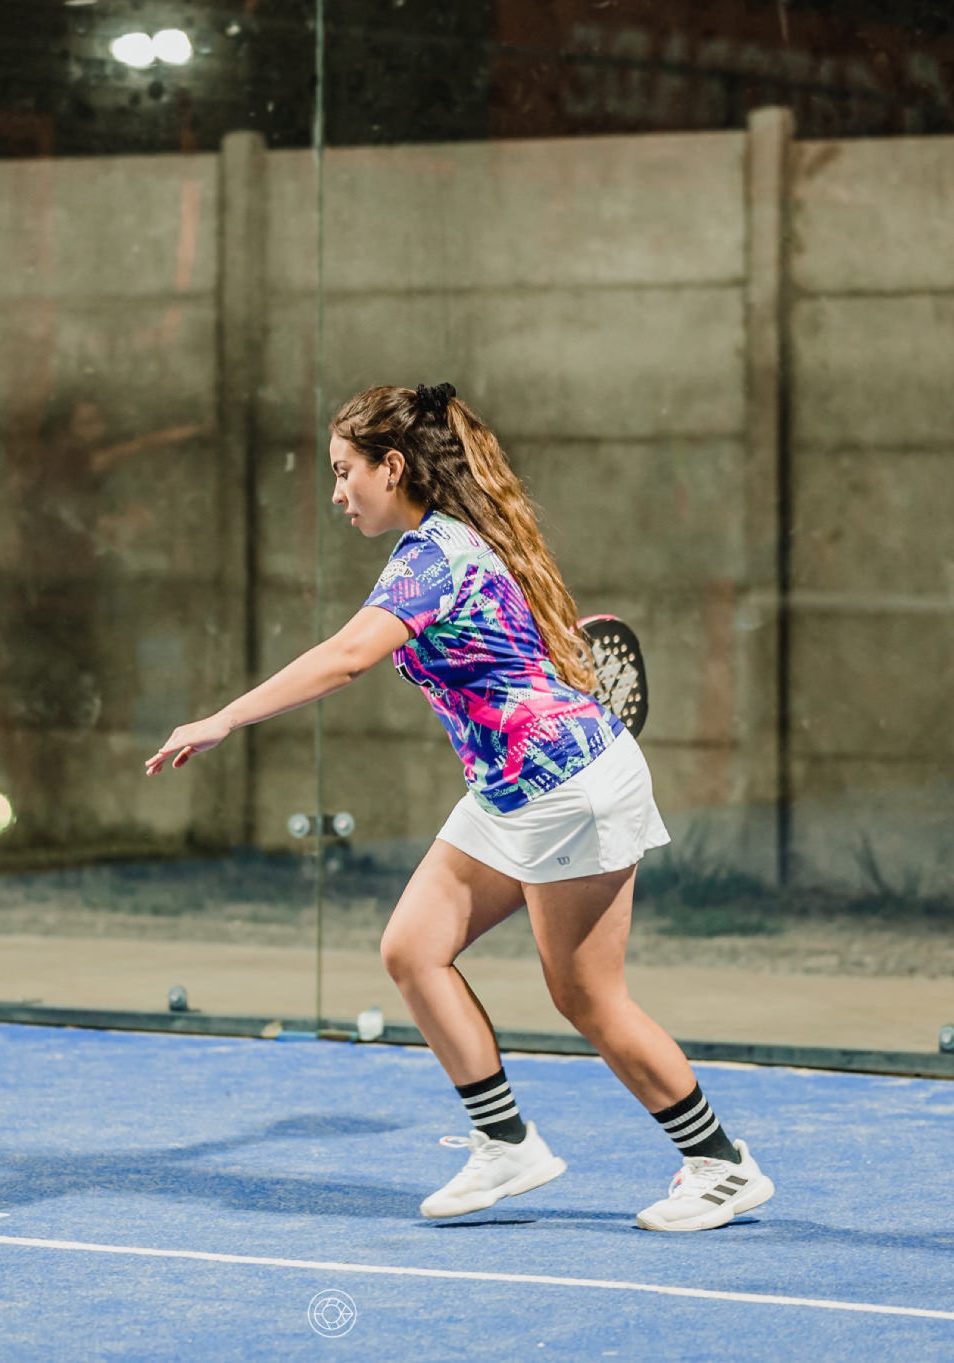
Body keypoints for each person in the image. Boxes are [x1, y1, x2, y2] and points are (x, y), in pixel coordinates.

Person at [145, 382, 773, 1232]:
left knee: (586, 997)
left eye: (344, 471)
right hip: (509, 786)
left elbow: (348, 657)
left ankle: (722, 1164)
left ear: (391, 466)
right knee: (413, 948)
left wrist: (223, 717)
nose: (336, 493)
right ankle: (507, 1143)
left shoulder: (433, 557)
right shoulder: (445, 544)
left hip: (567, 787)